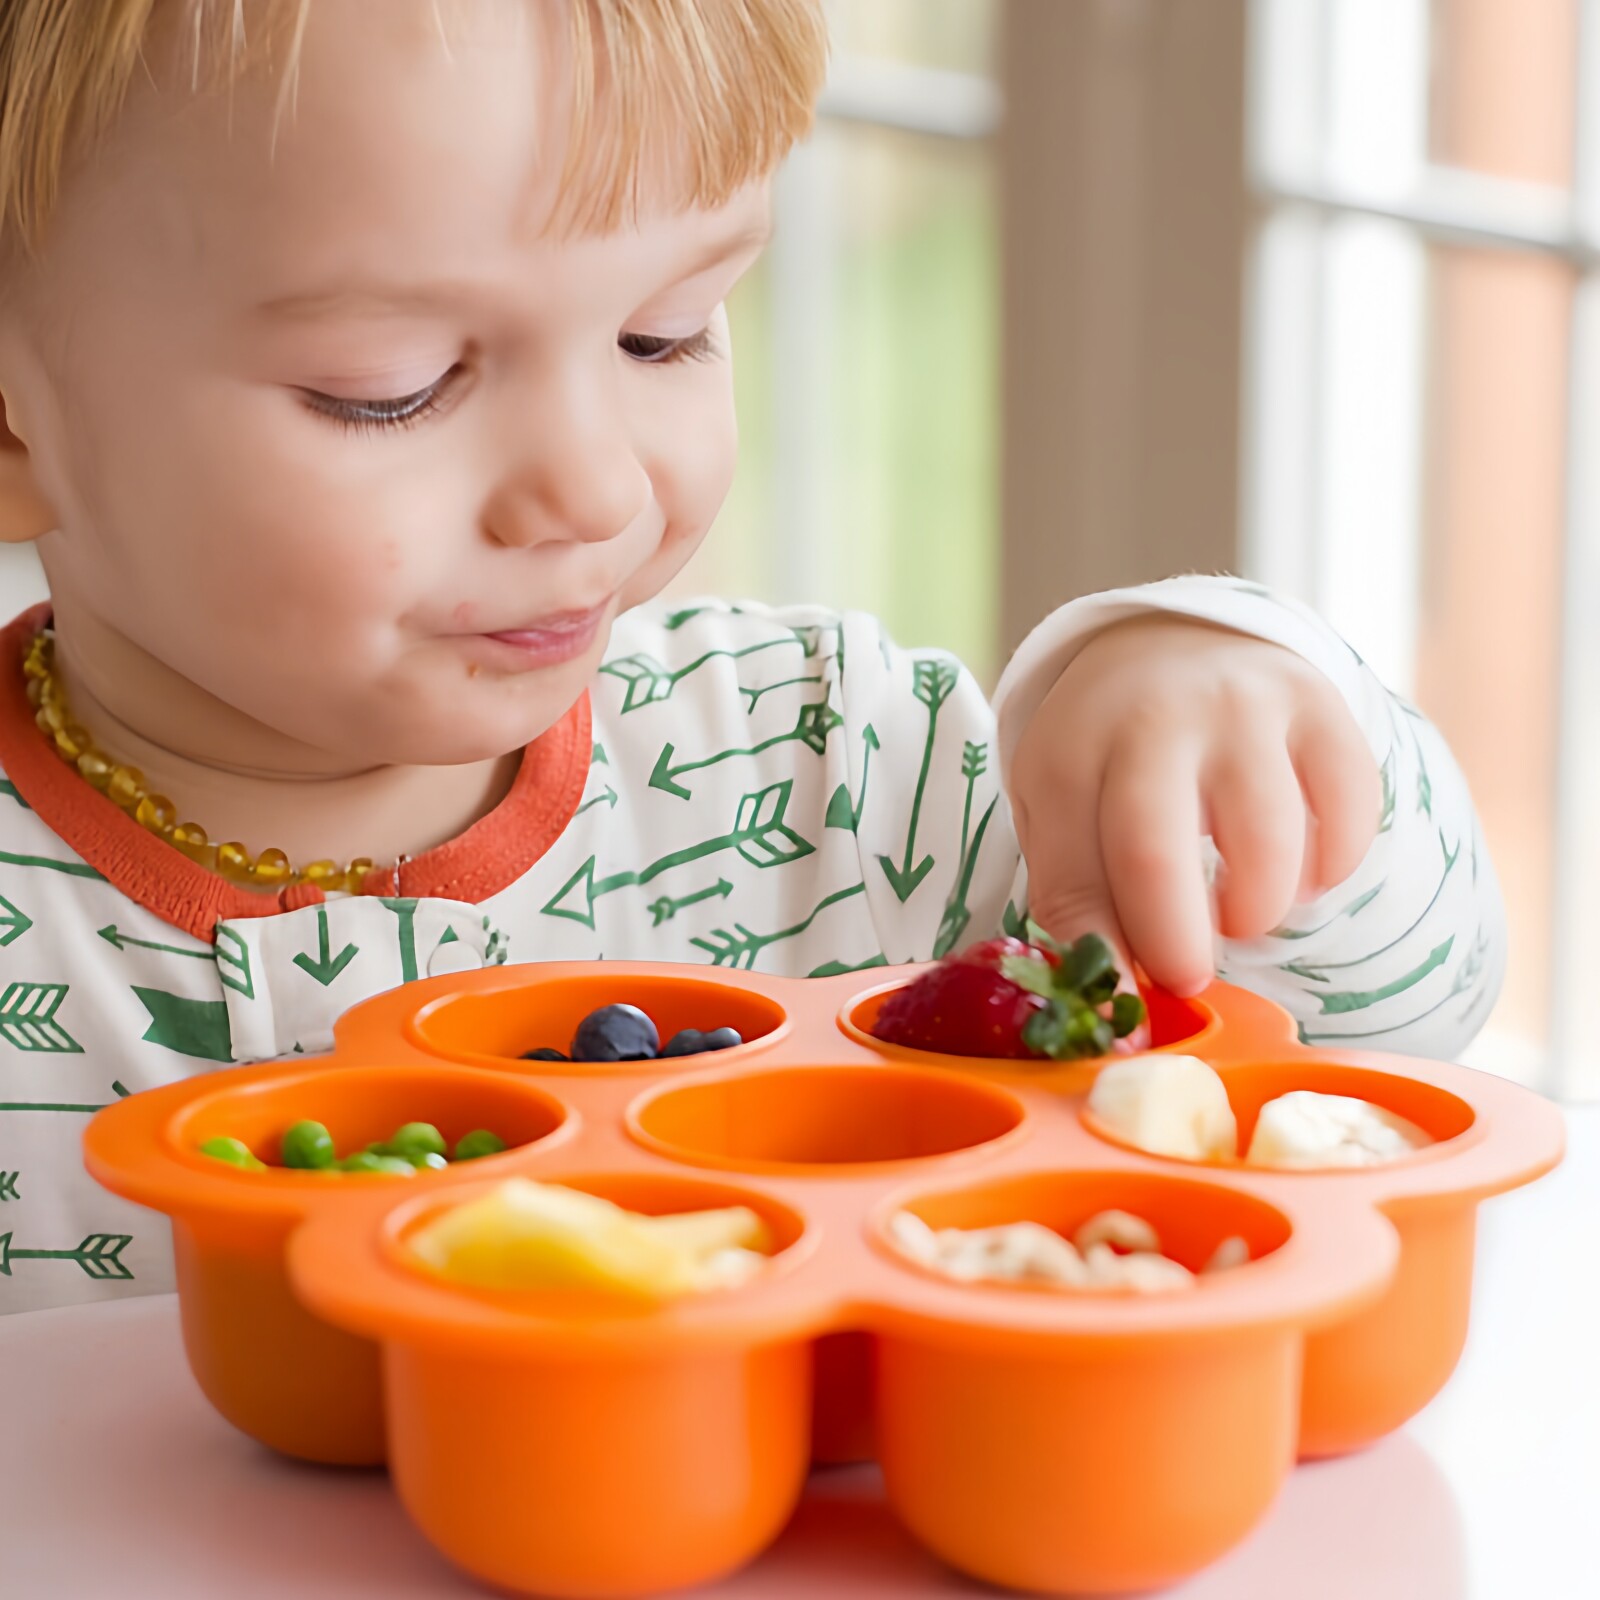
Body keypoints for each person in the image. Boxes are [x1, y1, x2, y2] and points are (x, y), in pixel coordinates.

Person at [0, 0, 1499, 1312]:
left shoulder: (836, 773)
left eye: (667, 333)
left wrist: (1245, 706)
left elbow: (1396, 1030)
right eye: (391, 388)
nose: (595, 490)